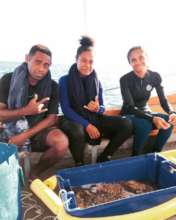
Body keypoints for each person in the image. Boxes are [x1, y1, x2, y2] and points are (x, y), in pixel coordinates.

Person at [59, 36, 132, 165]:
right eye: (83, 60)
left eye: (91, 62)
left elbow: (103, 108)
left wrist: (97, 108)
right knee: (77, 131)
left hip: (94, 118)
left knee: (126, 124)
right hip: (74, 120)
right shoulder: (64, 80)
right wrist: (87, 125)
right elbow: (65, 109)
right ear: (76, 59)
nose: (87, 65)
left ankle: (104, 157)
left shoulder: (97, 81)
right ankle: (79, 164)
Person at [0, 44, 69, 177]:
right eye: (38, 62)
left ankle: (34, 174)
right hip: (9, 129)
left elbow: (52, 119)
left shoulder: (52, 86)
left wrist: (24, 136)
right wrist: (26, 110)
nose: (41, 69)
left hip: (36, 131)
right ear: (27, 58)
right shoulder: (9, 79)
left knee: (61, 142)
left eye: (46, 65)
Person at [120, 46, 176, 156]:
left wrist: (172, 112)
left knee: (169, 121)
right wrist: (152, 118)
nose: (138, 62)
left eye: (141, 57)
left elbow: (163, 100)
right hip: (129, 114)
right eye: (133, 60)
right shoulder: (124, 79)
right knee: (145, 125)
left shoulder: (155, 76)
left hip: (145, 112)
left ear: (147, 58)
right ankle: (136, 155)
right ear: (130, 63)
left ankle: (155, 153)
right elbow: (130, 107)